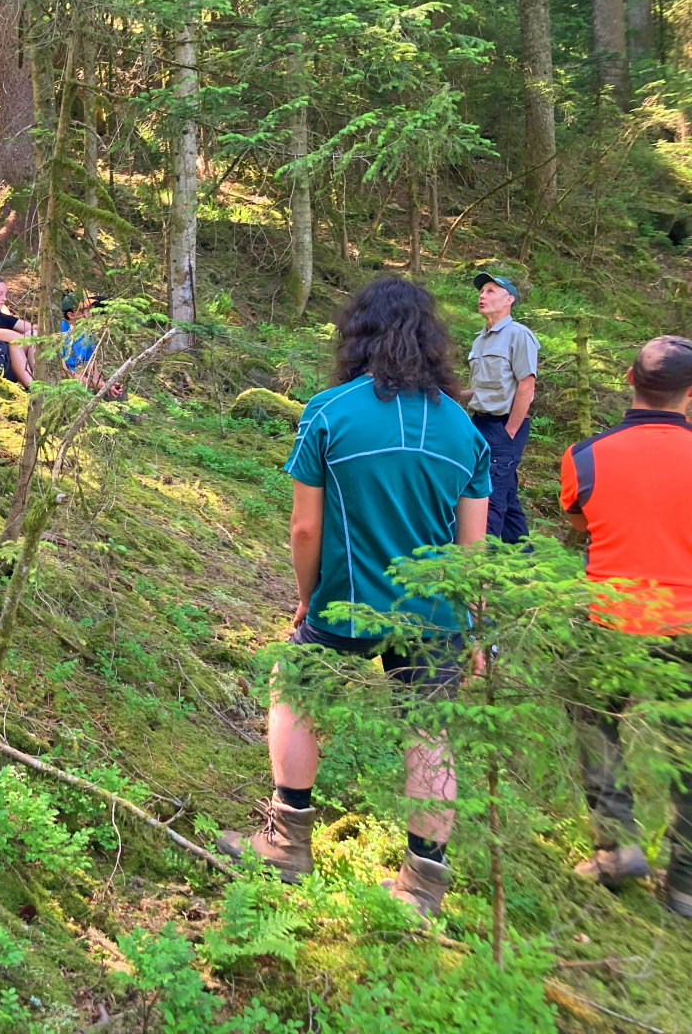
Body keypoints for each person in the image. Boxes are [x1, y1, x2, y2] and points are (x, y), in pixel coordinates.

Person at [216, 277, 491, 918]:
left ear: (357, 334)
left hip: (346, 597)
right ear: (432, 340)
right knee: (431, 731)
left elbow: (305, 527)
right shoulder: (466, 433)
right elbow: (471, 552)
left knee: (295, 688)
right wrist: (474, 629)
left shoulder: (328, 411)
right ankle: (423, 886)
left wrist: (308, 598)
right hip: (436, 615)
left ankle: (287, 842)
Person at [559, 335, 692, 918]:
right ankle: (685, 883)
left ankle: (617, 847)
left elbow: (580, 522)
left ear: (629, 378)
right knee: (686, 749)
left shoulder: (584, 456)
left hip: (610, 618)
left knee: (594, 721)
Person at [466, 272, 538, 543]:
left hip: (504, 426)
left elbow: (526, 386)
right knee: (505, 494)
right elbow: (483, 388)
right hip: (479, 425)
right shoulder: (480, 339)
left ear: (509, 300)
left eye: (491, 291)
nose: (482, 296)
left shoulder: (518, 335)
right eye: (481, 291)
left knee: (489, 496)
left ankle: (482, 572)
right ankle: (522, 560)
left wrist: (510, 431)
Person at [62, 294, 123, 398]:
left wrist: (107, 385)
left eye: (90, 309)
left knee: (117, 396)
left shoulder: (87, 334)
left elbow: (93, 372)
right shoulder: (61, 328)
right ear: (71, 315)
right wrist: (99, 385)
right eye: (86, 310)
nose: (91, 313)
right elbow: (61, 372)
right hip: (63, 381)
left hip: (75, 379)